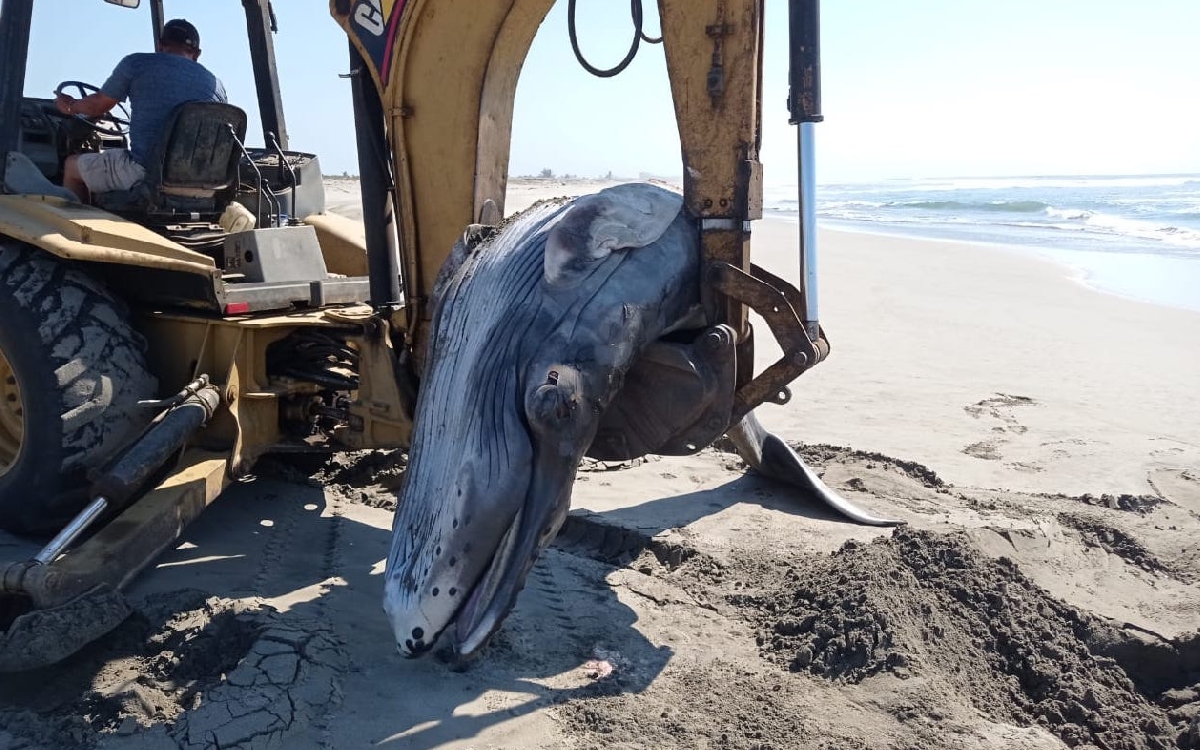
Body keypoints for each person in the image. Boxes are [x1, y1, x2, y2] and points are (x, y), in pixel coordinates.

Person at [54, 18, 228, 202]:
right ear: (197, 54)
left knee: (72, 166)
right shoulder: (217, 86)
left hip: (146, 175)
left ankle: (79, 229)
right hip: (205, 186)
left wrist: (71, 106)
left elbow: (97, 105)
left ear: (160, 46)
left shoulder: (136, 64)